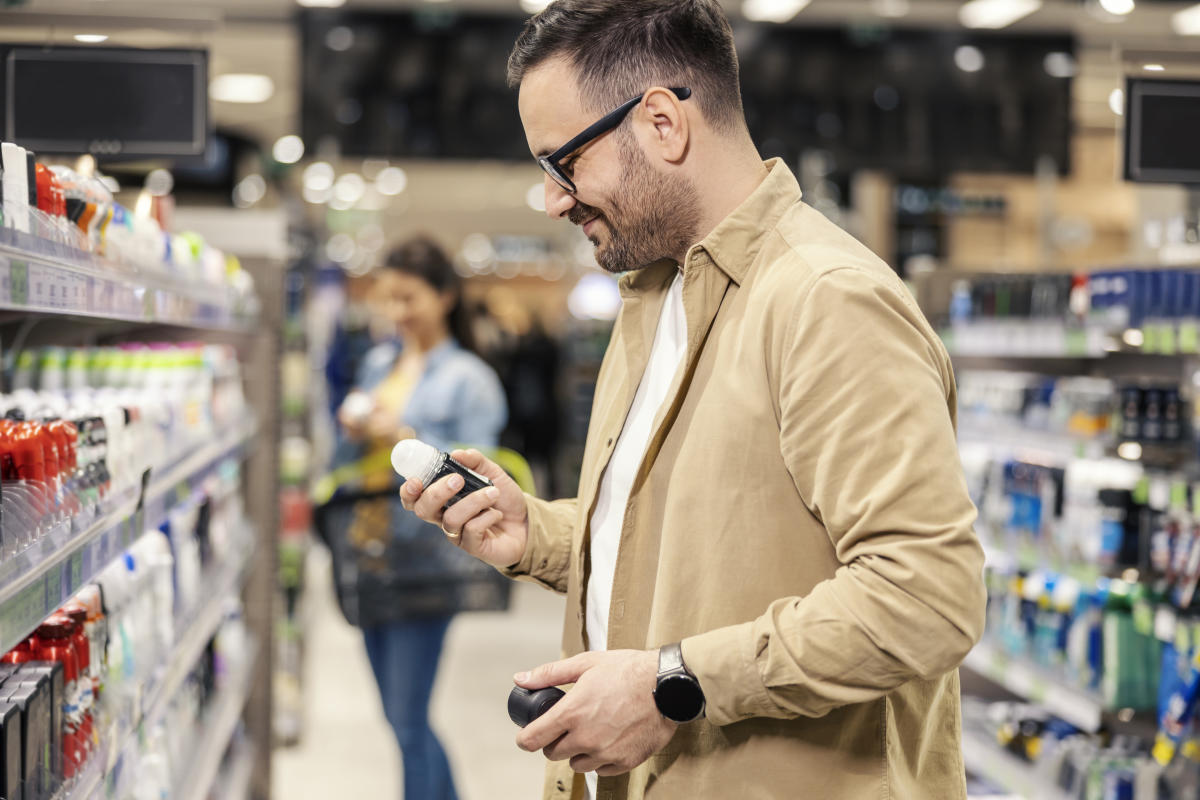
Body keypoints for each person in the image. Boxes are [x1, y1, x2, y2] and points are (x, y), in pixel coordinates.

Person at [401, 2, 986, 798]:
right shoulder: (653, 296)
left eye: (563, 163)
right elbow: (691, 543)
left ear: (663, 122)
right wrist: (536, 532)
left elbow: (925, 595)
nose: (554, 200)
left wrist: (671, 684)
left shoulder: (826, 301)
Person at [331, 236, 507, 800]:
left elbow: (478, 476)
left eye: (409, 298)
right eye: (389, 299)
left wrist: (400, 437)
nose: (398, 312)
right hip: (368, 546)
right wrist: (354, 429)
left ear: (445, 296)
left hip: (424, 558)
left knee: (407, 719)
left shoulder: (470, 380)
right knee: (397, 717)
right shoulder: (381, 361)